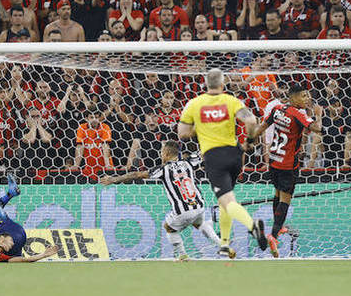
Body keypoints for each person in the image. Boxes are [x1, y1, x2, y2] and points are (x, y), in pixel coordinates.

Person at [177, 68, 268, 257]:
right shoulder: (231, 100)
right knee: (225, 199)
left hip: (213, 156)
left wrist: (200, 127)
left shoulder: (194, 104)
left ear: (205, 84)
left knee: (227, 200)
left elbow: (183, 134)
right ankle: (225, 244)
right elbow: (251, 121)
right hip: (235, 154)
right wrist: (249, 142)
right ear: (222, 83)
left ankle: (253, 227)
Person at [100, 141, 229, 260]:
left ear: (166, 153)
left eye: (161, 152)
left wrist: (114, 179)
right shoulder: (188, 162)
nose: (161, 154)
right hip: (199, 206)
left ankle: (182, 255)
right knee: (199, 224)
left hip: (182, 210)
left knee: (169, 227)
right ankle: (222, 244)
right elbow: (203, 152)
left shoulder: (162, 169)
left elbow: (137, 175)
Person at [253, 83, 322, 257]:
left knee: (277, 194)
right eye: (303, 96)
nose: (307, 99)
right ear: (294, 97)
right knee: (286, 199)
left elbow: (263, 126)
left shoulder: (277, 108)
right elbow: (316, 128)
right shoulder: (298, 113)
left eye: (308, 96)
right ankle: (274, 235)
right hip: (287, 164)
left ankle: (279, 226)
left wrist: (250, 138)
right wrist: (319, 116)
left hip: (274, 161)